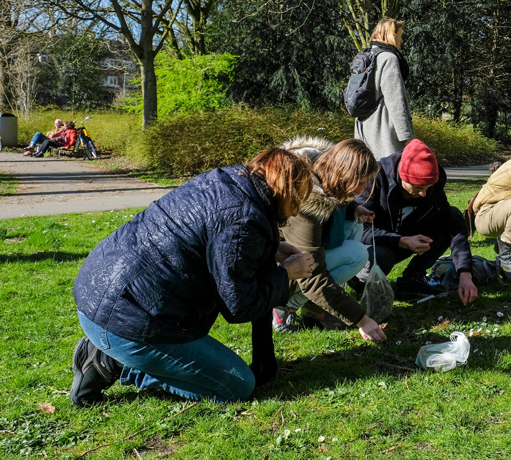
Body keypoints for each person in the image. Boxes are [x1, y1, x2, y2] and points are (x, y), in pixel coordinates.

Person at [70, 148, 316, 405]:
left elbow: (211, 234)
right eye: (298, 198)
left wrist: (270, 248)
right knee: (237, 385)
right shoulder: (244, 220)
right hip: (123, 320)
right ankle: (111, 364)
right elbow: (239, 306)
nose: (296, 211)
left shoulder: (228, 179)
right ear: (287, 190)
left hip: (96, 292)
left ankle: (113, 351)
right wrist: (287, 272)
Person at [271, 137, 386, 342]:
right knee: (357, 254)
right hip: (278, 267)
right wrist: (361, 319)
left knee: (355, 227)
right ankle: (285, 306)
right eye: (358, 184)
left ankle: (315, 304)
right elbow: (311, 274)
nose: (361, 191)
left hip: (304, 252)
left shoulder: (323, 170)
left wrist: (353, 209)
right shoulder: (306, 199)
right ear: (344, 174)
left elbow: (333, 195)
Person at [356, 138, 478, 304]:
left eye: (427, 188)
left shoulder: (432, 188)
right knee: (383, 256)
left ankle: (412, 280)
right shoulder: (375, 179)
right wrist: (400, 241)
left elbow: (455, 227)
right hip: (375, 245)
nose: (423, 194)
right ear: (402, 177)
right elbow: (357, 230)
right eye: (418, 188)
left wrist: (465, 273)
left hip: (406, 239)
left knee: (451, 219)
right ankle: (361, 283)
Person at [354, 18, 414, 160]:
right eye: (400, 35)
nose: (402, 40)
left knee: (369, 174)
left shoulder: (368, 56)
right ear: (392, 35)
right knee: (390, 174)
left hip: (364, 127)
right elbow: (395, 101)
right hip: (384, 130)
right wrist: (407, 136)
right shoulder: (388, 58)